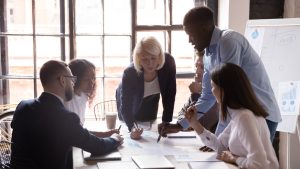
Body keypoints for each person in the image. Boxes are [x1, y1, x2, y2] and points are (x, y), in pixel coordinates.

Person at [161, 6, 281, 141]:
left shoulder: (228, 41)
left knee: (255, 161)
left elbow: (229, 93)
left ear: (204, 29)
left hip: (261, 115)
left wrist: (218, 139)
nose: (189, 40)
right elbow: (207, 97)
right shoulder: (208, 54)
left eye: (191, 34)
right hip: (243, 117)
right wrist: (179, 125)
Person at [10, 60, 124, 169]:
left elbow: (77, 132)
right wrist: (115, 139)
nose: (73, 84)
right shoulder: (65, 118)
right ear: (62, 80)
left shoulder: (23, 106)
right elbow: (97, 147)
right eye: (72, 79)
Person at [185, 63, 279, 169]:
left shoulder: (245, 117)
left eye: (213, 87)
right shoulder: (238, 115)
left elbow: (260, 165)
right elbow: (220, 146)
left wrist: (234, 159)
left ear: (224, 90)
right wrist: (195, 124)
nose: (212, 91)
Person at [116, 36, 176, 139]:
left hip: (152, 99)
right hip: (131, 101)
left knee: (150, 127)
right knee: (134, 133)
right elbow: (126, 107)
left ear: (160, 56)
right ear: (138, 59)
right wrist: (132, 128)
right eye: (145, 59)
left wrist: (166, 121)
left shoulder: (168, 63)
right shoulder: (130, 73)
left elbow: (170, 94)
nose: (150, 64)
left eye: (153, 58)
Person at [65, 59, 119, 137]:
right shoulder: (68, 100)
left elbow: (79, 130)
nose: (92, 83)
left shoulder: (83, 95)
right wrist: (105, 134)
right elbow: (75, 133)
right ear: (75, 79)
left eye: (93, 78)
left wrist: (106, 134)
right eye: (86, 79)